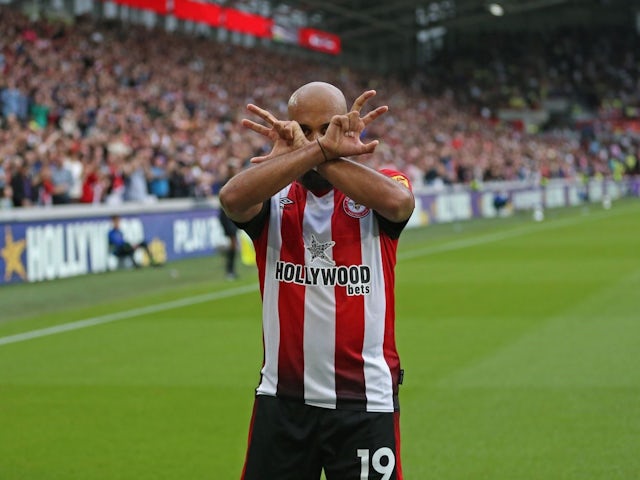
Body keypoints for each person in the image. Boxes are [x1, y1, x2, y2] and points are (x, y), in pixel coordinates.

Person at [219, 82, 415, 480]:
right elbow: (231, 199)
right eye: (304, 130)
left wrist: (316, 153)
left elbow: (399, 204)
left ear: (346, 125)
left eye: (326, 127)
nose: (317, 138)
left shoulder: (382, 186)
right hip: (284, 400)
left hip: (364, 402)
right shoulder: (273, 198)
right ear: (289, 128)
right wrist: (319, 151)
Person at [217, 160, 241, 280]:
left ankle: (230, 270)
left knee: (234, 243)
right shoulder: (228, 182)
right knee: (233, 243)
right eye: (234, 168)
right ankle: (229, 270)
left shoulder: (236, 180)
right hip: (226, 216)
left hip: (231, 215)